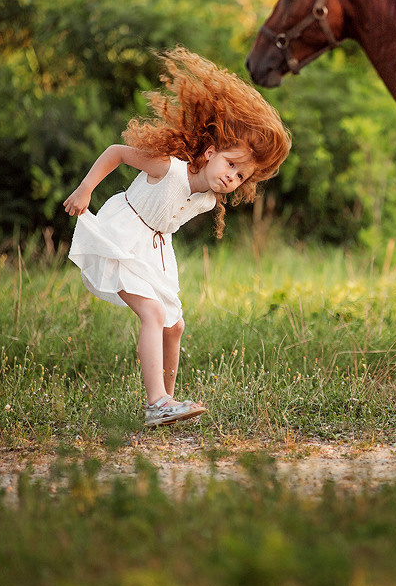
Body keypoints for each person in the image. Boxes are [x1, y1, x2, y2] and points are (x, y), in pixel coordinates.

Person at [63, 47, 291, 427]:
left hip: (155, 251)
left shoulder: (207, 198)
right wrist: (86, 190)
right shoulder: (168, 169)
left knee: (175, 325)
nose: (231, 177)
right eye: (230, 165)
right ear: (212, 152)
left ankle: (170, 404)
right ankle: (157, 403)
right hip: (123, 236)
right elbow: (117, 152)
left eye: (239, 176)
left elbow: (167, 223)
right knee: (152, 314)